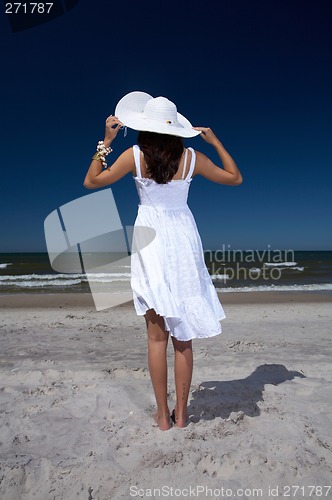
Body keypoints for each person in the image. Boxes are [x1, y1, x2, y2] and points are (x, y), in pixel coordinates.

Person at [84, 91, 243, 431]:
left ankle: (162, 416)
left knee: (156, 339)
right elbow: (234, 177)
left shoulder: (134, 156)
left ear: (144, 126)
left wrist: (105, 142)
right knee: (182, 338)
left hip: (150, 239)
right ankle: (182, 415)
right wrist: (215, 142)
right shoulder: (192, 158)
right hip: (183, 238)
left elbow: (91, 181)